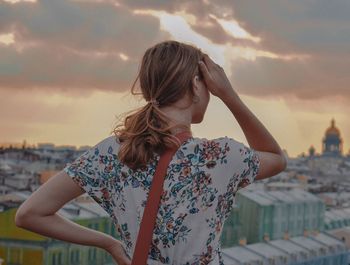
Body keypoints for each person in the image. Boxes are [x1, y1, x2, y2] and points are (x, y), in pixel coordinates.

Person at [15, 40, 287, 265]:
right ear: (195, 85)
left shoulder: (112, 152)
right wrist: (229, 95)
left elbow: (29, 214)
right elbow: (276, 158)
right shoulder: (219, 156)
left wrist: (109, 243)